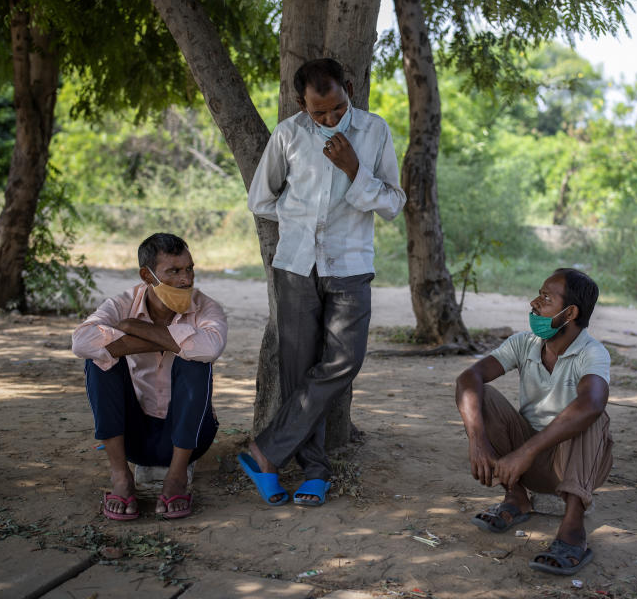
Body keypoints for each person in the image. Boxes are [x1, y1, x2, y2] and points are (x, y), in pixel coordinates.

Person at [241, 58, 406, 506]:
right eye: (320, 113)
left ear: (348, 89)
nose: (331, 119)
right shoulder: (288, 134)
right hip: (295, 265)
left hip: (349, 266)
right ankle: (314, 470)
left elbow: (393, 203)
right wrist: (299, 221)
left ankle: (265, 452)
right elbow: (261, 199)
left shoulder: (373, 131)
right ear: (302, 104)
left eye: (337, 107)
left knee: (344, 361)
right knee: (298, 373)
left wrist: (355, 170)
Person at [455, 269, 612, 576]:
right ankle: (516, 498)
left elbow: (591, 403)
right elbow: (468, 377)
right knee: (479, 393)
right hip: (522, 467)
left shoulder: (592, 352)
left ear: (570, 313)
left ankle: (573, 529)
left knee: (592, 414)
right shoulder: (524, 344)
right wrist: (478, 441)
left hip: (570, 465)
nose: (533, 303)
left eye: (545, 298)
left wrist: (525, 452)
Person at [72, 233, 227, 520]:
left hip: (191, 436)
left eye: (190, 268)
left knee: (196, 361)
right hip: (134, 436)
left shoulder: (206, 307)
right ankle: (121, 477)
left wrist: (133, 329)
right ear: (147, 275)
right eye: (174, 271)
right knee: (99, 363)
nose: (186, 279)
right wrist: (173, 340)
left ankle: (177, 477)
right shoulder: (122, 303)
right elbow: (81, 342)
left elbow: (210, 348)